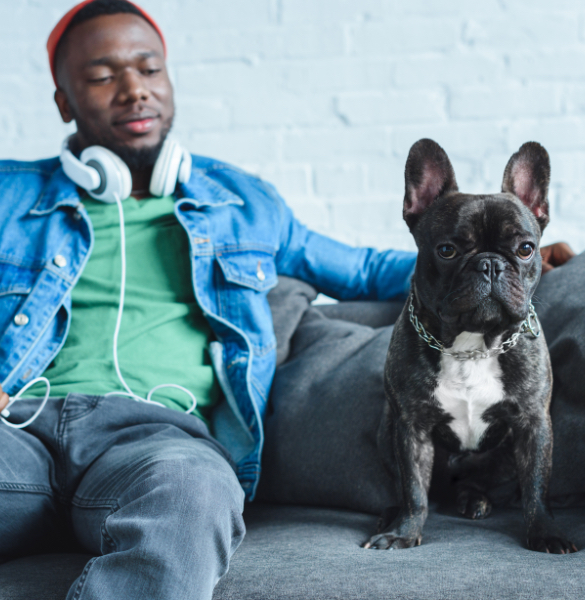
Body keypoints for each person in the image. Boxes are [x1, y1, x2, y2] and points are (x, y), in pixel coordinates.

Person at [0, 1, 575, 599]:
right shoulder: (9, 194)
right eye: (100, 76)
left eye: (149, 69)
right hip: (19, 428)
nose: (133, 91)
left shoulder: (243, 203)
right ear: (63, 101)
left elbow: (366, 268)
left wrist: (515, 259)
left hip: (160, 442)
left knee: (196, 501)